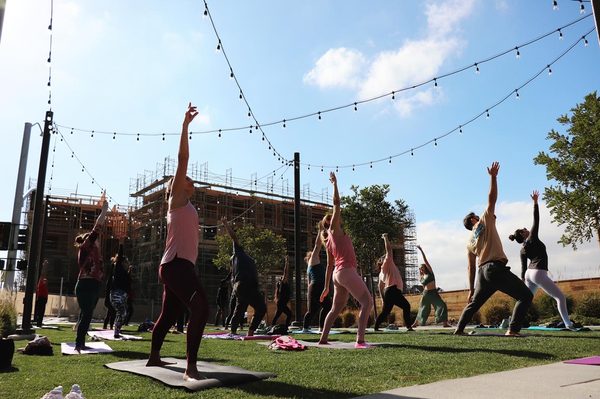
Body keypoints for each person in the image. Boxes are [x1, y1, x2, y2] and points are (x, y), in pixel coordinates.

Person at [146, 103, 209, 382]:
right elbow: (183, 159)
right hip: (176, 266)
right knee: (201, 308)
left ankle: (153, 356)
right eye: (187, 180)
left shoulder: (186, 205)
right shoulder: (177, 200)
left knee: (170, 313)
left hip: (177, 266)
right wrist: (184, 126)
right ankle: (190, 366)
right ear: (178, 185)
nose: (191, 183)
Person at [454, 162, 533, 336]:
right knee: (526, 296)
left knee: (474, 304)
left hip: (483, 273)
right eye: (475, 215)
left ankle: (459, 330)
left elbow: (471, 267)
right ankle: (513, 330)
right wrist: (493, 177)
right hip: (494, 269)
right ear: (473, 219)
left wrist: (471, 289)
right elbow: (492, 199)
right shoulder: (483, 220)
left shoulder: (469, 242)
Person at [318, 172, 373, 348]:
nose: (336, 216)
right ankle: (360, 340)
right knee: (367, 302)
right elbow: (336, 204)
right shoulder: (334, 230)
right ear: (330, 223)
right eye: (332, 217)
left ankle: (323, 339)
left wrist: (327, 286)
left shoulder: (328, 241)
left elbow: (329, 266)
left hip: (337, 275)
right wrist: (335, 183)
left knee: (335, 309)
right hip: (346, 272)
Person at [508, 190, 574, 329]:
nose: (527, 228)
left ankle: (512, 321)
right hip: (538, 273)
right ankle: (568, 324)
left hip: (529, 275)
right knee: (560, 298)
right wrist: (536, 203)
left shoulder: (522, 249)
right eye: (524, 229)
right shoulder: (532, 238)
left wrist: (523, 281)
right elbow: (536, 219)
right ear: (522, 233)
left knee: (525, 299)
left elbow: (523, 269)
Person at [221, 216, 266, 337]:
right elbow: (234, 238)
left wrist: (235, 287)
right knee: (261, 308)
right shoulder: (238, 253)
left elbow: (233, 279)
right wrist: (226, 224)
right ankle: (249, 331)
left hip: (244, 286)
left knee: (240, 308)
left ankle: (233, 331)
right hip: (246, 285)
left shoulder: (241, 261)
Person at [74, 199, 109, 352]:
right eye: (96, 240)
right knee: (87, 314)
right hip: (86, 285)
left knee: (86, 314)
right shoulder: (87, 247)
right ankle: (78, 343)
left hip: (94, 285)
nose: (98, 242)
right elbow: (97, 227)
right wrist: (104, 211)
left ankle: (80, 341)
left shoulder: (96, 253)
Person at [374, 234, 413, 331]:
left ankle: (376, 327)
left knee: (385, 312)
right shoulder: (387, 263)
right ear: (382, 261)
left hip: (389, 292)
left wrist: (383, 299)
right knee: (406, 306)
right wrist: (385, 238)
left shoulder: (381, 273)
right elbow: (389, 250)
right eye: (383, 257)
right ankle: (409, 327)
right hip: (393, 290)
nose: (386, 256)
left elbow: (380, 286)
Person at [411, 245, 450, 328]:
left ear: (425, 268)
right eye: (420, 269)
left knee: (442, 305)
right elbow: (423, 285)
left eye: (422, 268)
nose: (421, 270)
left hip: (433, 293)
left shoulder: (430, 273)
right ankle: (415, 323)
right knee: (422, 308)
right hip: (426, 294)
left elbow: (426, 260)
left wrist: (421, 250)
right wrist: (420, 275)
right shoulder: (422, 277)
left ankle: (445, 323)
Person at [302, 224, 332, 332]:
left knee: (318, 308)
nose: (318, 255)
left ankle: (315, 328)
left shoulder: (311, 266)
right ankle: (310, 328)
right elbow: (317, 245)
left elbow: (308, 282)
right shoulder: (313, 259)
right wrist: (320, 231)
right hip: (317, 286)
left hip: (315, 287)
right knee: (323, 307)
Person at [109, 245, 131, 338]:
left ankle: (117, 330)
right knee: (122, 312)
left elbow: (127, 283)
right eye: (126, 262)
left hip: (123, 296)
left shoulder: (125, 272)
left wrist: (129, 272)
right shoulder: (118, 268)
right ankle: (116, 332)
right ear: (122, 262)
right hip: (116, 295)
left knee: (123, 313)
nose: (128, 263)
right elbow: (120, 256)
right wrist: (121, 244)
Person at [271, 257, 293, 327]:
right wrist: (287, 263)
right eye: (282, 278)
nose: (284, 278)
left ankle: (272, 326)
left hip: (281, 303)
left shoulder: (282, 285)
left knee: (277, 315)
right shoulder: (283, 283)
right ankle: (286, 326)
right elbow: (285, 272)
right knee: (289, 314)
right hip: (282, 303)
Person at [34, 259, 49, 327]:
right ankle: (38, 323)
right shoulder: (41, 281)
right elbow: (43, 273)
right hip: (41, 297)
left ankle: (39, 322)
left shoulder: (43, 283)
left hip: (43, 298)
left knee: (41, 311)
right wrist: (44, 266)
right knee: (40, 311)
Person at [103, 264, 115, 330]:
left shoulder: (110, 279)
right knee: (111, 312)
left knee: (110, 312)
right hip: (109, 299)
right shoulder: (111, 279)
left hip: (109, 299)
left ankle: (108, 325)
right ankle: (109, 326)